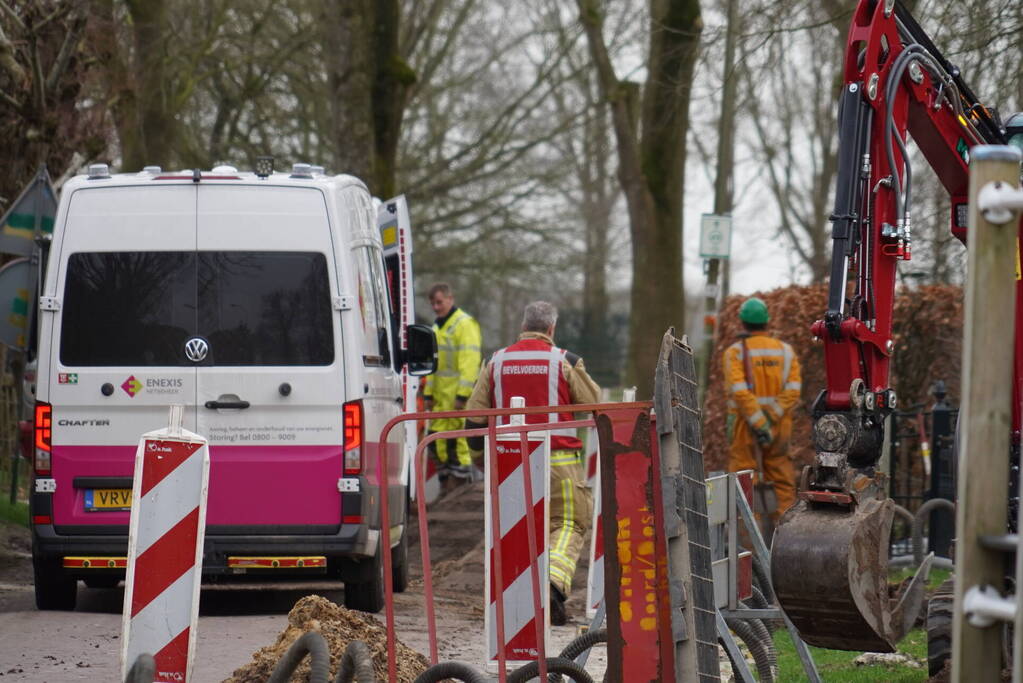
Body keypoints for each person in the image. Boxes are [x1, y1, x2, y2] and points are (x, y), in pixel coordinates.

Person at [465, 301, 600, 625]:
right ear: (551, 328)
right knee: (568, 525)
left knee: (518, 531)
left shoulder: (496, 362)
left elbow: (473, 418)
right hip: (560, 463)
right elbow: (596, 403)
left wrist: (480, 459)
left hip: (510, 464)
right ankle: (551, 584)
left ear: (523, 326)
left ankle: (515, 605)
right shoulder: (564, 361)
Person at [723, 296, 802, 526]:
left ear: (742, 322)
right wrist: (771, 417)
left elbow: (740, 393)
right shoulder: (786, 352)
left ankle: (748, 552)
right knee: (783, 484)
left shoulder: (735, 353)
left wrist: (759, 422)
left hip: (745, 428)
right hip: (779, 428)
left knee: (744, 484)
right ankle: (785, 541)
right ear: (767, 321)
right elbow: (793, 390)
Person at [422, 283, 482, 487]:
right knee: (435, 442)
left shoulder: (464, 324)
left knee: (457, 444)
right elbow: (433, 366)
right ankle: (447, 485)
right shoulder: (437, 326)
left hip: (456, 398)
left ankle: (460, 485)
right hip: (440, 399)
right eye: (432, 303)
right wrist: (428, 394)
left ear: (450, 299)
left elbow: (470, 362)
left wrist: (463, 395)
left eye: (439, 302)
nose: (436, 307)